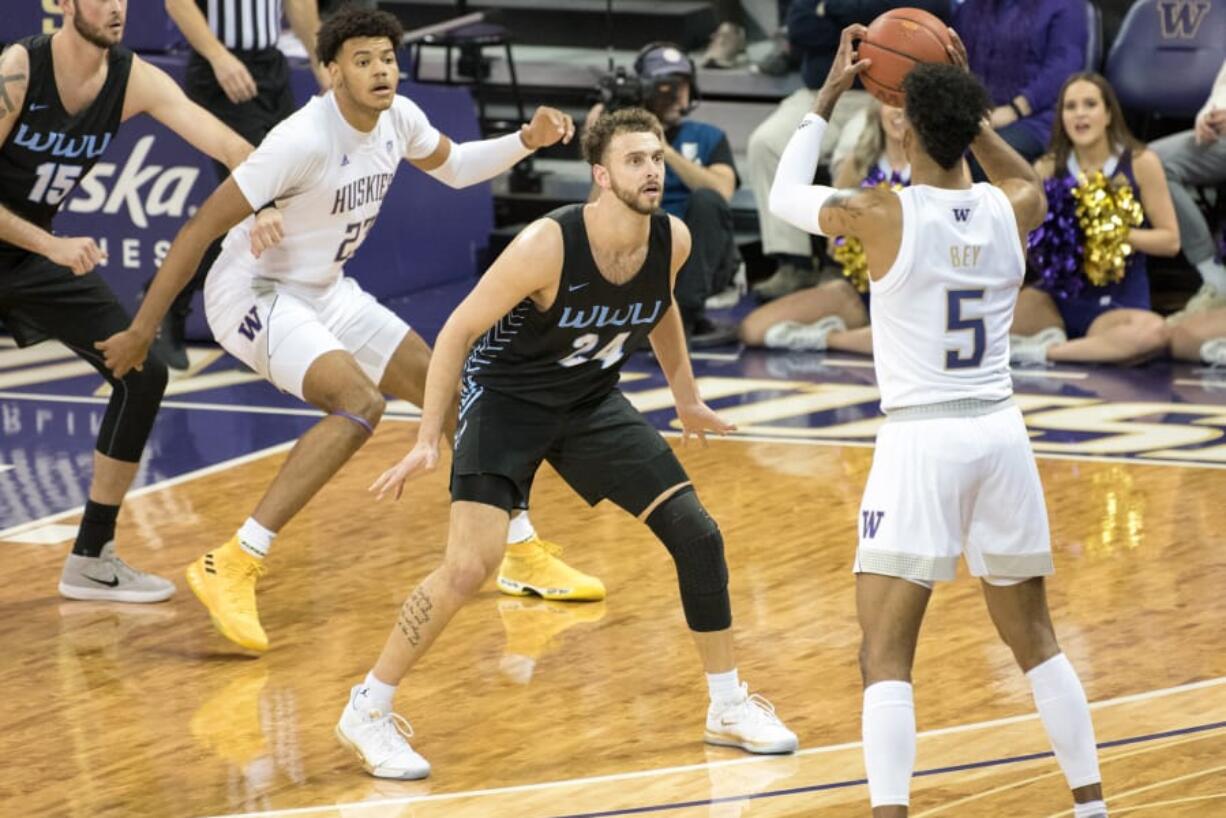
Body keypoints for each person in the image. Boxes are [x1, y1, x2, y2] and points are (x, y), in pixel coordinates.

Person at [96, 7, 601, 653]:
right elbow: (198, 231)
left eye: (387, 58)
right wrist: (143, 329)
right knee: (359, 402)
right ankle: (235, 560)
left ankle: (519, 552)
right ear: (331, 71)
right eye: (363, 61)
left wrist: (524, 140)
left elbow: (455, 166)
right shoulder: (300, 139)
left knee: (456, 393)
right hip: (252, 291)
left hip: (326, 289)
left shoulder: (400, 117)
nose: (381, 70)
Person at [333, 107, 797, 780]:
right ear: (601, 175)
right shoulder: (547, 245)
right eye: (636, 160)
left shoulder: (673, 237)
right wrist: (430, 437)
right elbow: (457, 333)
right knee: (470, 567)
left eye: (657, 157)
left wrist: (687, 396)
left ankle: (726, 705)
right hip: (506, 402)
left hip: (587, 400)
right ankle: (367, 708)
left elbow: (662, 305)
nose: (652, 171)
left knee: (698, 534)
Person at [770, 26, 1107, 817]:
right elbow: (1033, 182)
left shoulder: (883, 213)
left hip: (922, 439)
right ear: (969, 127)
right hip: (999, 431)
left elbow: (785, 197)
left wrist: (825, 99)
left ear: (905, 124)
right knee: (1036, 640)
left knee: (884, 654)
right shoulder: (1006, 208)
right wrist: (965, 106)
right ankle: (1091, 806)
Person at [0, 0, 265, 604]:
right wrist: (53, 245)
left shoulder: (134, 78)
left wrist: (267, 200)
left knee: (141, 371)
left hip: (36, 255)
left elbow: (227, 143)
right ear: (63, 4)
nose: (116, 6)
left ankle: (91, 557)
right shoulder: (19, 70)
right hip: (39, 243)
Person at [148, 0, 330, 370]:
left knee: (287, 202)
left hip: (271, 66)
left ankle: (266, 323)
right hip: (223, 70)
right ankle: (167, 305)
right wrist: (218, 55)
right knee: (252, 202)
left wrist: (319, 60)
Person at [747, 0, 946, 302]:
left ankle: (839, 261)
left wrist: (831, 9)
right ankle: (793, 262)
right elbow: (800, 26)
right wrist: (866, 21)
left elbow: (930, 12)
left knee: (853, 151)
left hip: (877, 95)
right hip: (821, 91)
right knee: (765, 142)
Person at [1010, 73, 1179, 366]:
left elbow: (1170, 241)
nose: (1080, 114)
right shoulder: (1047, 167)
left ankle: (1048, 352)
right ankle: (1068, 343)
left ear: (1109, 114)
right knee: (995, 316)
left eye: (1090, 104)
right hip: (1056, 301)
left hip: (1116, 303)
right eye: (1070, 107)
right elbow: (1024, 239)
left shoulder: (1141, 162)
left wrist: (1110, 232)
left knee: (1154, 333)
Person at [592, 43, 741, 346]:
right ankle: (645, 315)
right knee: (643, 209)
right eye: (664, 87)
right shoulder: (622, 140)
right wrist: (601, 148)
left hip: (701, 256)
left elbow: (722, 192)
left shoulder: (709, 136)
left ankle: (684, 315)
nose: (674, 95)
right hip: (640, 252)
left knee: (706, 200)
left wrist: (666, 151)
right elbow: (595, 208)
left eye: (681, 85)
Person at [740, 99, 910, 354]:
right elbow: (834, 238)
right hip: (861, 290)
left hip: (914, 294)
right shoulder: (860, 161)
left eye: (909, 104)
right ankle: (860, 337)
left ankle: (831, 339)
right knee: (752, 329)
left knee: (912, 342)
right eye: (891, 102)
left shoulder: (938, 167)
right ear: (876, 108)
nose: (899, 111)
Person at [953, 0, 1088, 178]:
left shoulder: (1066, 6)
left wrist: (1015, 109)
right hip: (978, 115)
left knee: (986, 161)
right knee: (938, 149)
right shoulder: (971, 7)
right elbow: (956, 60)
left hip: (1036, 118)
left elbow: (1062, 69)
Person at [1154, 58, 1226, 323]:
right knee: (1148, 164)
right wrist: (1205, 118)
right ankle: (1214, 277)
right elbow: (1221, 91)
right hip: (1219, 140)